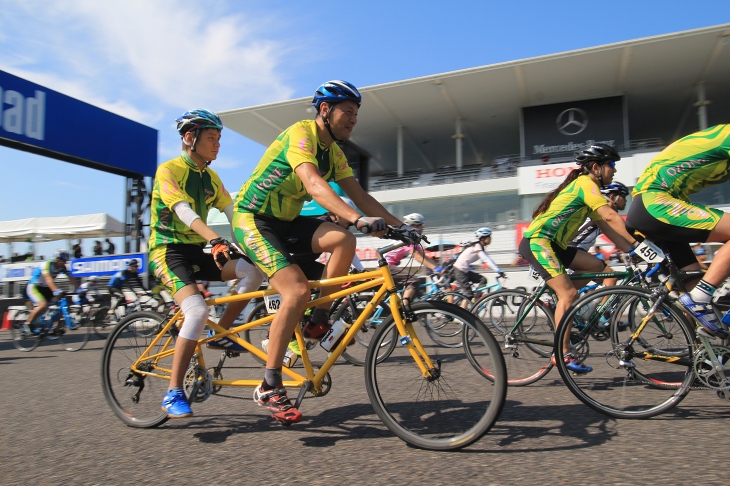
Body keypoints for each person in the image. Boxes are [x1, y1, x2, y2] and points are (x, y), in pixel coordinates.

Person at [231, 80, 414, 424]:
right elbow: (314, 185)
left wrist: (401, 227)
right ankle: (270, 384)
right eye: (348, 111)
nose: (353, 119)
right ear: (325, 111)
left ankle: (318, 320)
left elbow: (361, 196)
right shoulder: (301, 135)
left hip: (286, 222)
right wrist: (357, 219)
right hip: (253, 219)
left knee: (343, 242)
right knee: (297, 290)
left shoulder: (335, 153)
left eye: (357, 114)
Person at [152, 109, 264, 419]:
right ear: (190, 138)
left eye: (219, 139)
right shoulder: (169, 171)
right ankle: (173, 390)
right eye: (211, 138)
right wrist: (215, 240)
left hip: (196, 250)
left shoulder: (211, 177)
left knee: (251, 272)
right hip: (168, 251)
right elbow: (184, 211)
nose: (217, 144)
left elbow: (234, 216)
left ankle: (223, 332)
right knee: (198, 310)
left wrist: (256, 246)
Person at [518, 143, 638, 373]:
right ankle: (560, 352)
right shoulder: (585, 184)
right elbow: (610, 215)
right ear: (595, 167)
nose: (614, 170)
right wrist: (637, 246)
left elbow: (609, 228)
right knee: (569, 294)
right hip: (539, 241)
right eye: (611, 165)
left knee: (605, 271)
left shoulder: (588, 188)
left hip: (558, 245)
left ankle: (564, 304)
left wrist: (634, 250)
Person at [625, 124, 730, 338]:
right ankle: (700, 298)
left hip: (653, 206)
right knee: (700, 295)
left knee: (693, 280)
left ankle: (706, 358)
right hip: (656, 204)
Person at [384, 213, 443, 307]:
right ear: (413, 226)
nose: (423, 228)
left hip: (390, 266)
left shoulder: (413, 239)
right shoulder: (407, 237)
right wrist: (436, 269)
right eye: (421, 225)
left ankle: (403, 307)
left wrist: (438, 267)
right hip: (386, 267)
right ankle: (404, 309)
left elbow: (424, 257)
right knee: (413, 280)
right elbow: (417, 257)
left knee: (412, 289)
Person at [22, 249, 80, 333]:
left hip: (46, 288)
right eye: (63, 261)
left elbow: (71, 278)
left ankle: (54, 327)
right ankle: (27, 324)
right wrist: (55, 290)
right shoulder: (47, 264)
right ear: (57, 259)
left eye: (66, 261)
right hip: (35, 286)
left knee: (61, 303)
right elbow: (48, 280)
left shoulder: (62, 267)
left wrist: (79, 289)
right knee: (43, 305)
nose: (65, 263)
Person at [451, 228, 505, 304]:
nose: (491, 239)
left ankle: (476, 301)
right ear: (482, 238)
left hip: (464, 271)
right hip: (459, 271)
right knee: (468, 296)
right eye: (489, 237)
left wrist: (498, 269)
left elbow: (488, 259)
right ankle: (462, 313)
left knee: (483, 280)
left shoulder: (479, 247)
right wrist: (498, 270)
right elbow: (486, 259)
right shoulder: (477, 246)